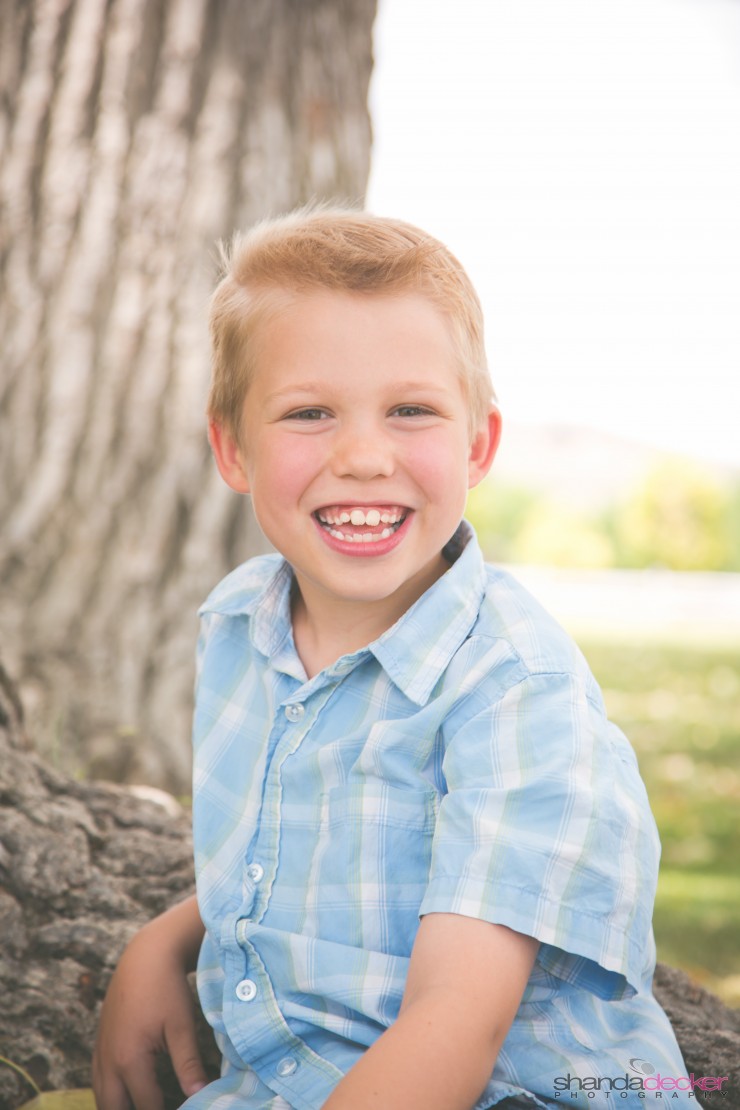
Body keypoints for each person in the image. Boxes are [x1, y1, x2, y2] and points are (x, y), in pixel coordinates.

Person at [93, 208, 692, 1110]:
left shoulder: (516, 693)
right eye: (309, 413)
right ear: (233, 448)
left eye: (410, 411)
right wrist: (164, 945)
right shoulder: (240, 627)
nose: (365, 456)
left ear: (477, 445)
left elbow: (458, 1020)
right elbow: (319, 858)